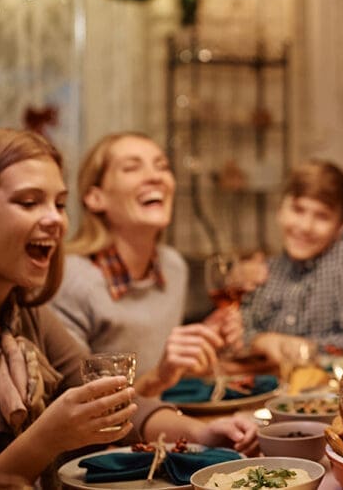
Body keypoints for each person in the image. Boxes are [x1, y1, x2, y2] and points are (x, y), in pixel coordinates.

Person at [0, 128, 258, 489]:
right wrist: (49, 436)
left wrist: (202, 431)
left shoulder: (24, 314)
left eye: (60, 204)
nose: (55, 220)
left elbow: (115, 402)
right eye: (29, 202)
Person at [50, 132, 257, 397]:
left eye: (162, 166)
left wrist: (205, 340)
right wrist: (159, 377)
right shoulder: (70, 279)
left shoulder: (173, 267)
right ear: (95, 197)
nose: (155, 177)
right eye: (132, 168)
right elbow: (83, 410)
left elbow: (158, 374)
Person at [241, 159, 343, 364]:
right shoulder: (266, 269)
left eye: (322, 216)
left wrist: (299, 347)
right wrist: (260, 341)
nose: (305, 226)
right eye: (298, 210)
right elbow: (241, 329)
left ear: (340, 227)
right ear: (280, 211)